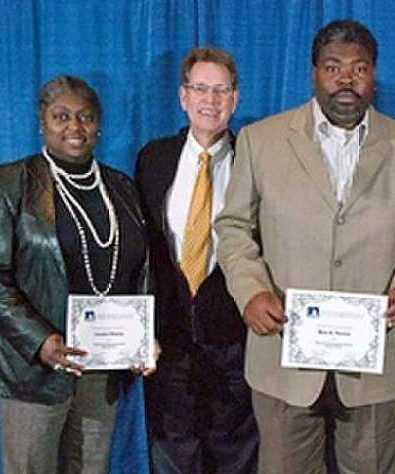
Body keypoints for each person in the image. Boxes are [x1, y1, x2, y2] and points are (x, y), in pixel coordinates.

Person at [214, 19, 395, 473]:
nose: (346, 78)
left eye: (359, 68)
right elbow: (234, 227)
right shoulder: (261, 141)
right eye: (333, 66)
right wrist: (251, 291)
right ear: (314, 72)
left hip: (374, 364)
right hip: (283, 358)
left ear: (373, 75)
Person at [0, 75, 155, 473]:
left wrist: (143, 337)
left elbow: (142, 268)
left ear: (99, 125)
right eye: (61, 116)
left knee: (91, 467)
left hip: (100, 365)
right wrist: (40, 341)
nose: (75, 127)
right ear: (42, 122)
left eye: (86, 117)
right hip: (34, 369)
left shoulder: (121, 187)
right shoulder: (6, 184)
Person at [135, 46, 258, 473]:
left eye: (221, 90)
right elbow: (144, 251)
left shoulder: (256, 161)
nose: (211, 100)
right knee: (172, 454)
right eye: (201, 89)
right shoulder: (153, 159)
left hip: (235, 341)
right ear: (183, 96)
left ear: (236, 99)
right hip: (168, 341)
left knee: (235, 454)